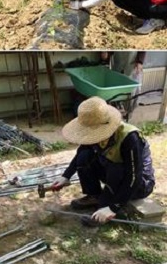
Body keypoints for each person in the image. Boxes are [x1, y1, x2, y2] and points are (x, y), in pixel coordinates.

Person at [51, 97, 155, 227]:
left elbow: (134, 177)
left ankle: (106, 205)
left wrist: (113, 207)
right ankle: (94, 195)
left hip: (139, 184)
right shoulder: (93, 136)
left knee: (115, 169)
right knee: (84, 156)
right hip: (114, 174)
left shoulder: (130, 138)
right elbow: (81, 152)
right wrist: (65, 176)